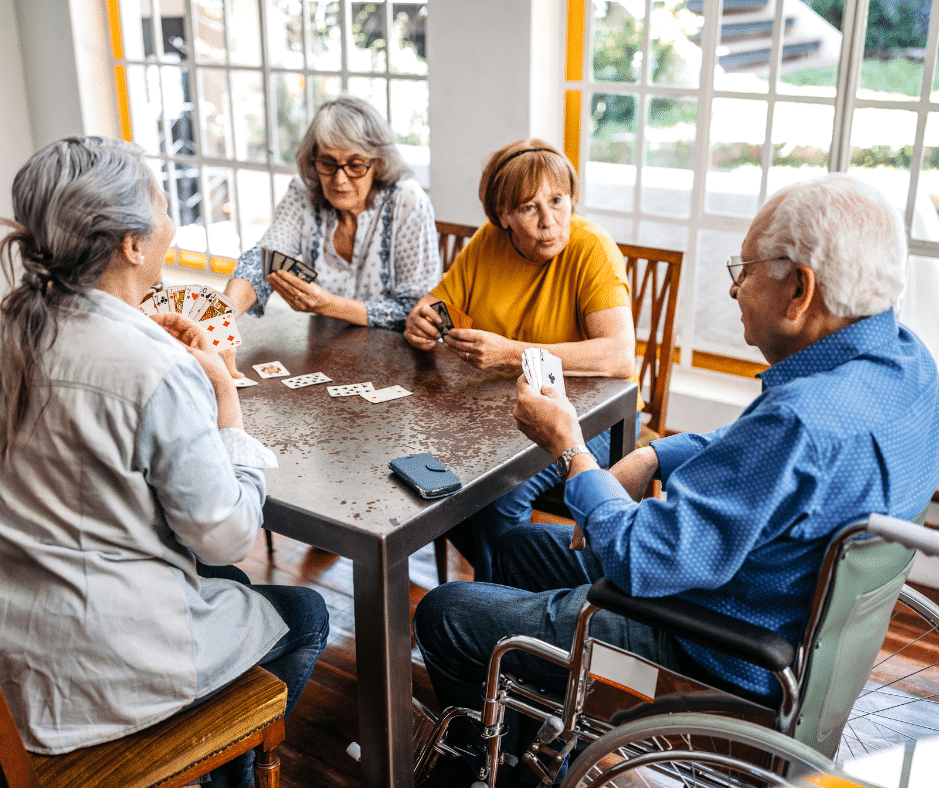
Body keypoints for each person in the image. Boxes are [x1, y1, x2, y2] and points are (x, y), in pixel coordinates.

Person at [413, 173, 939, 784]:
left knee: (446, 613)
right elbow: (757, 456)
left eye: (744, 271)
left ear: (799, 291)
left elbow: (638, 557)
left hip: (703, 647)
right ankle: (528, 718)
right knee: (517, 546)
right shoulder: (907, 363)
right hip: (789, 622)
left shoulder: (801, 422)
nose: (737, 289)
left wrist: (570, 449)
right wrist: (652, 457)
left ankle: (495, 761)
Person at [0, 137, 329, 788]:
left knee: (204, 571)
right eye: (159, 197)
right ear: (130, 243)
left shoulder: (14, 324)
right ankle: (214, 769)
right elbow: (230, 536)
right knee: (306, 614)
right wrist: (225, 397)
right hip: (110, 672)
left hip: (22, 657)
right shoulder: (154, 368)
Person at [404, 138, 641, 581]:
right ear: (504, 216)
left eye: (557, 200)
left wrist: (511, 354)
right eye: (529, 208)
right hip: (499, 412)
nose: (549, 221)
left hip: (593, 417)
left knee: (497, 492)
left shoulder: (592, 248)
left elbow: (618, 355)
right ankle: (510, 583)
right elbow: (439, 305)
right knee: (432, 478)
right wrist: (421, 321)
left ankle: (500, 602)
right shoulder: (488, 242)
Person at [223, 94, 441, 375]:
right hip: (325, 357)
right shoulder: (303, 191)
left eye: (355, 165)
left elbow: (416, 311)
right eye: (327, 163)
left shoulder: (407, 200)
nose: (339, 179)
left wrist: (328, 305)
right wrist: (221, 321)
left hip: (403, 364)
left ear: (379, 164)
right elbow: (264, 259)